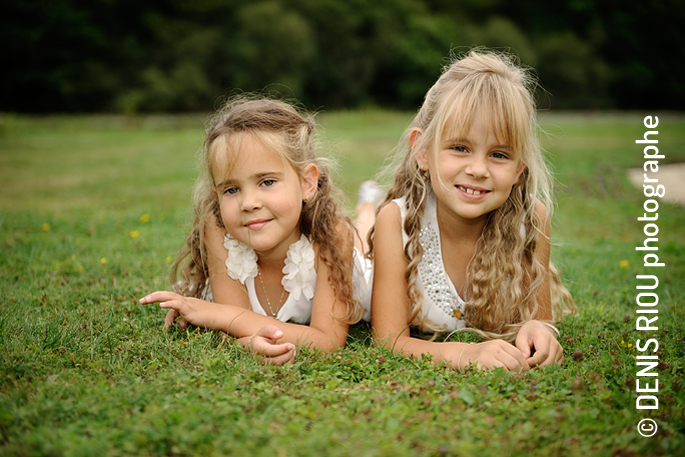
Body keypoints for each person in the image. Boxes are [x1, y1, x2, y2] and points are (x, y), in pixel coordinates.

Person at [369, 50, 577, 371]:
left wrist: (540, 332)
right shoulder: (396, 221)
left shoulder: (531, 219)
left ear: (519, 168)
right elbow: (388, 339)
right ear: (422, 151)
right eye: (460, 148)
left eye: (498, 154)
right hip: (372, 251)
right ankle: (366, 203)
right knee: (362, 231)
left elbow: (539, 320)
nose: (478, 169)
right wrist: (465, 354)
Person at [140, 96, 371, 365]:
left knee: (364, 239)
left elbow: (327, 341)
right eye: (232, 189)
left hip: (353, 254)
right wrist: (250, 341)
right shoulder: (218, 228)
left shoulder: (334, 233)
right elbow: (241, 325)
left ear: (307, 182)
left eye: (267, 181)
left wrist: (217, 314)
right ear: (217, 196)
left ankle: (368, 207)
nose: (248, 203)